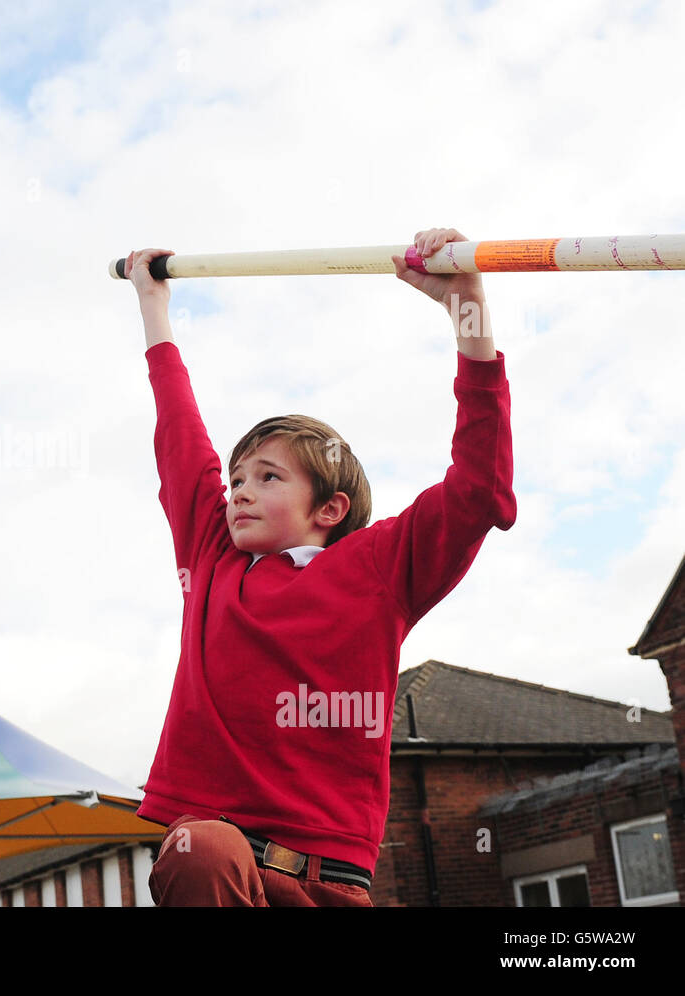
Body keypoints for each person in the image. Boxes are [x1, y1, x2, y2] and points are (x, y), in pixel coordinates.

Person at [122, 230, 515, 906]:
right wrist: (152, 304)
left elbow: (480, 488)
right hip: (222, 868)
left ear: (330, 508)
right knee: (199, 846)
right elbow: (180, 436)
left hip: (331, 881)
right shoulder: (212, 560)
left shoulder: (380, 568)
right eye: (236, 477)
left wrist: (467, 311)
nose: (238, 489)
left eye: (267, 476)